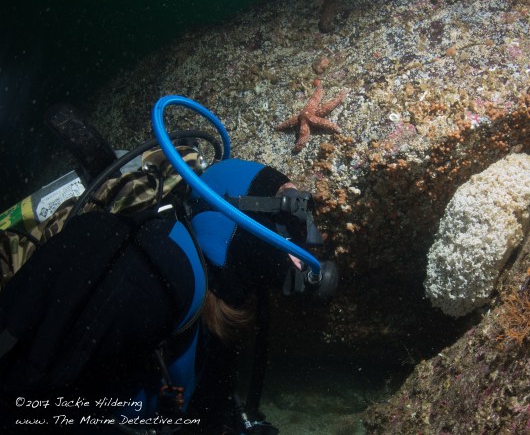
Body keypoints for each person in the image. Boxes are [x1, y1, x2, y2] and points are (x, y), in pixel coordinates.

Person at [0, 144, 337, 434]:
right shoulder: (158, 269)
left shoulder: (213, 308)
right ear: (239, 216)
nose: (307, 238)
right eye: (291, 209)